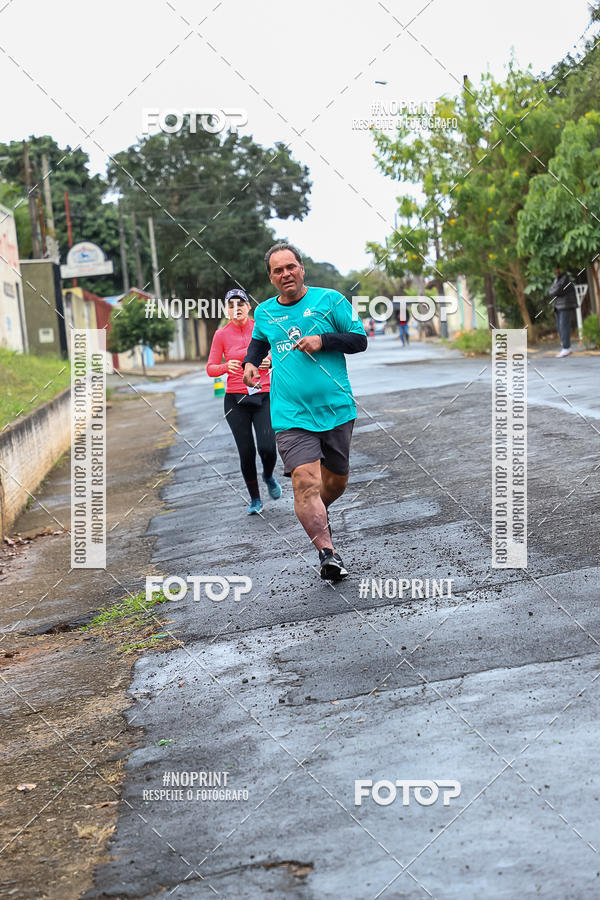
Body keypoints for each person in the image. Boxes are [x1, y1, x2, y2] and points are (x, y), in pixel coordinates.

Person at [242, 243, 367, 580]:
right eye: (278, 270)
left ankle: (317, 513)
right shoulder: (265, 313)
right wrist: (251, 363)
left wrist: (323, 341)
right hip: (290, 413)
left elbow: (359, 340)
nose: (286, 274)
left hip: (336, 408)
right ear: (271, 277)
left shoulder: (330, 300)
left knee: (336, 481)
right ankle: (328, 554)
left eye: (290, 267)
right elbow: (258, 343)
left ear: (301, 268)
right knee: (304, 481)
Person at [207, 288, 282, 515]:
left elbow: (281, 352)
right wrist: (224, 366)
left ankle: (268, 475)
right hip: (235, 399)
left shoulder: (261, 328)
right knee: (246, 451)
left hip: (264, 394)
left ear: (249, 307)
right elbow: (210, 368)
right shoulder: (221, 334)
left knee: (267, 447)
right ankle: (255, 499)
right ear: (226, 311)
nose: (236, 309)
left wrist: (271, 360)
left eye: (240, 304)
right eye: (231, 305)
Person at [549, 268, 578, 358]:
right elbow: (551, 291)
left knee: (564, 327)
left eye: (556, 268)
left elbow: (557, 290)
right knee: (559, 327)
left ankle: (566, 348)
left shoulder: (566, 278)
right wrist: (554, 290)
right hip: (558, 306)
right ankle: (566, 347)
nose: (555, 270)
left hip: (565, 305)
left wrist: (554, 290)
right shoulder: (557, 279)